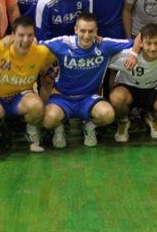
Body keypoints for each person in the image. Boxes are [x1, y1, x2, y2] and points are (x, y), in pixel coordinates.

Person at [42, 14, 133, 148]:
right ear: (75, 30)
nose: (86, 35)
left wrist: (134, 54)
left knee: (107, 115)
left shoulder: (104, 45)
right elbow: (36, 46)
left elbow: (135, 41)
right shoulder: (63, 43)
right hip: (63, 97)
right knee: (47, 119)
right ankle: (58, 129)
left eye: (91, 31)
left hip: (89, 98)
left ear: (96, 31)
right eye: (83, 31)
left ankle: (89, 127)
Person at [0, 17, 55, 154]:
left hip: (21, 97)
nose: (26, 40)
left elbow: (64, 53)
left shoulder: (41, 52)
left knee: (37, 106)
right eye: (21, 35)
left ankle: (31, 132)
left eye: (30, 35)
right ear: (13, 35)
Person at [109, 23, 157, 141]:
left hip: (153, 89)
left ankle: (151, 117)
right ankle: (123, 120)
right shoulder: (126, 55)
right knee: (116, 99)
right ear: (140, 43)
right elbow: (103, 60)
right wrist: (134, 53)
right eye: (148, 43)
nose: (153, 48)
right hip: (128, 88)